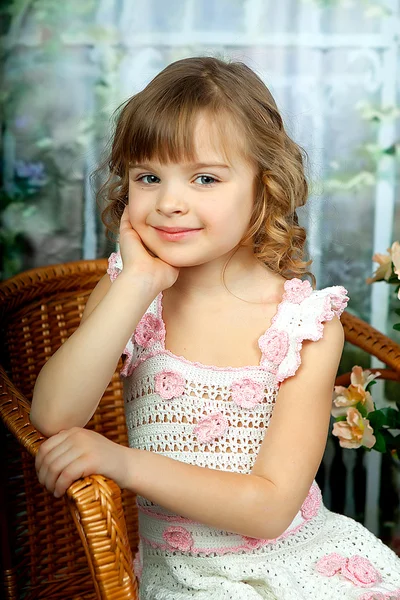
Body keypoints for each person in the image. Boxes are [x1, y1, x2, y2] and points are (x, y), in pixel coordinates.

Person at [30, 56, 400, 600]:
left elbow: (271, 508)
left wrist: (122, 463)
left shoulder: (304, 327)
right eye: (148, 177)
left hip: (293, 564)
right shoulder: (130, 292)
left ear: (264, 188)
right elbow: (53, 415)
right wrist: (138, 283)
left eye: (205, 177)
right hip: (183, 579)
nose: (170, 202)